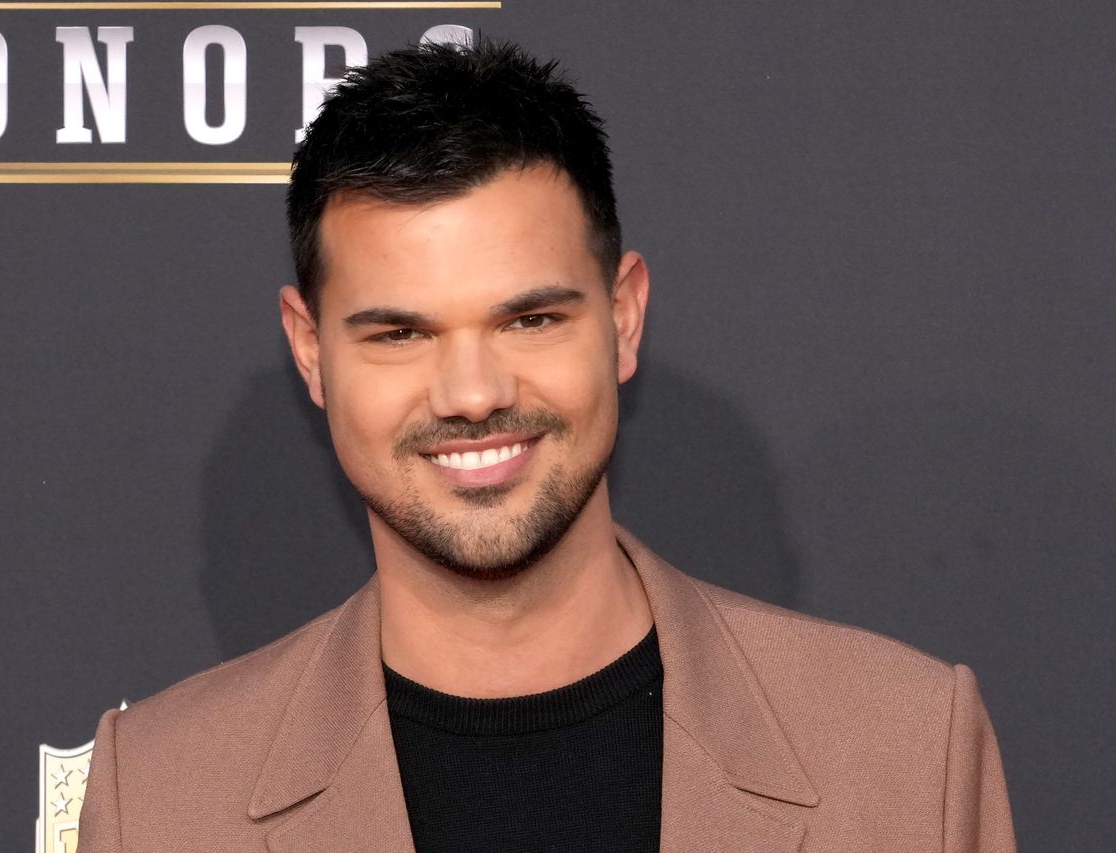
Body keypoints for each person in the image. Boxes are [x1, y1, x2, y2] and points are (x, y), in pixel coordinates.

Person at [78, 39, 1015, 852]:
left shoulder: (902, 754)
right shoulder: (161, 799)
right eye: (399, 334)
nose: (474, 394)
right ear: (309, 352)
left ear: (624, 315)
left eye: (529, 319)